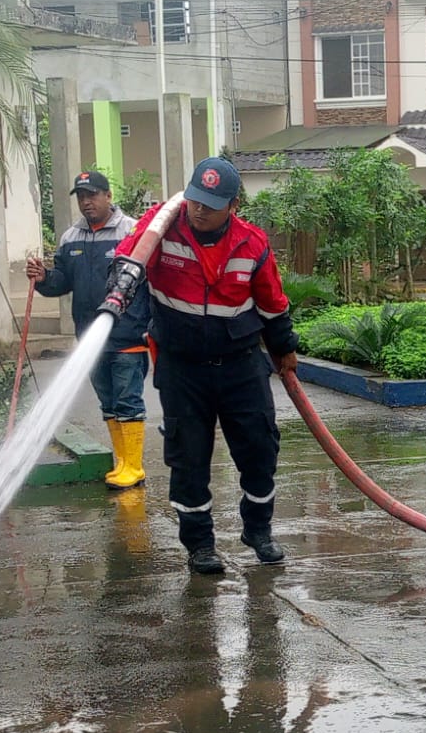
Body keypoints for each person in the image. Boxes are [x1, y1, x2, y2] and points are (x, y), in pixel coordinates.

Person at [113, 156, 297, 577]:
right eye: (195, 200)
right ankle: (200, 545)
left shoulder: (251, 243)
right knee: (188, 458)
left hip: (240, 365)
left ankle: (258, 530)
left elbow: (272, 303)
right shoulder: (162, 229)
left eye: (211, 205)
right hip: (183, 368)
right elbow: (128, 256)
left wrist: (284, 347)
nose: (199, 210)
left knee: (260, 449)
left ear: (232, 205)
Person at [26, 169, 150, 489]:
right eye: (81, 196)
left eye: (92, 195)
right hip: (89, 338)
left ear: (108, 196)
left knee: (128, 400)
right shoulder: (71, 238)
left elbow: (148, 280)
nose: (86, 202)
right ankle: (122, 461)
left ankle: (134, 466)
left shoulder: (133, 232)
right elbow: (62, 282)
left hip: (126, 335)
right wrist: (44, 278)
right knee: (108, 401)